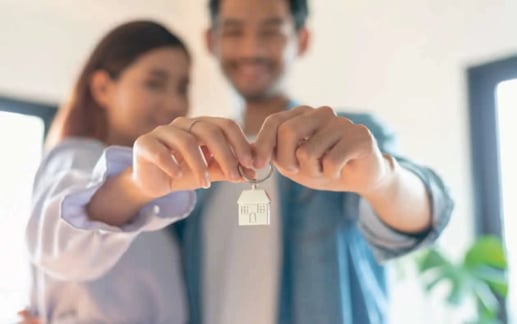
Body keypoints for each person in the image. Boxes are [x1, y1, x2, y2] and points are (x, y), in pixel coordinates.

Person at [171, 0, 454, 323]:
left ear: (301, 39)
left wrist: (382, 180)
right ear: (212, 41)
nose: (251, 48)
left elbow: (422, 214)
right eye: (234, 31)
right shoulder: (198, 158)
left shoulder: (344, 142)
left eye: (270, 31)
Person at [22, 20, 255, 323]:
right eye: (154, 83)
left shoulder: (168, 198)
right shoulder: (75, 157)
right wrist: (138, 186)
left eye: (182, 87)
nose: (174, 102)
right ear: (103, 88)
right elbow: (61, 244)